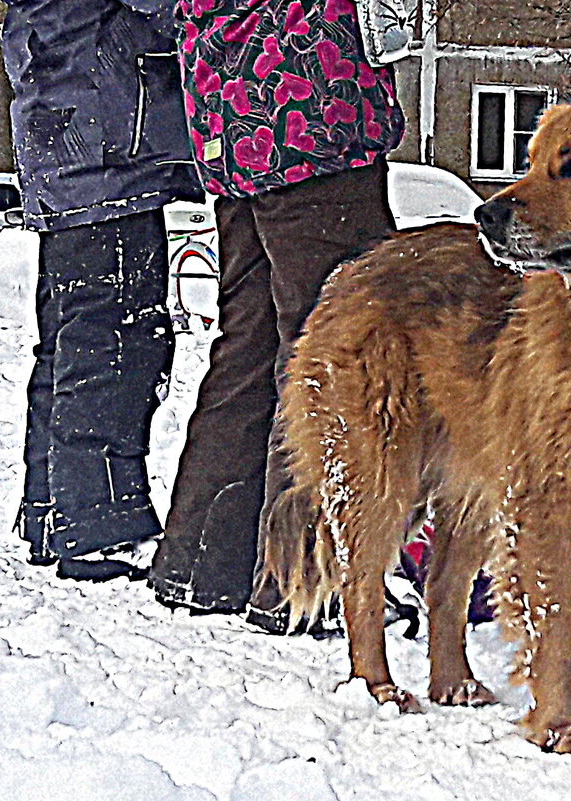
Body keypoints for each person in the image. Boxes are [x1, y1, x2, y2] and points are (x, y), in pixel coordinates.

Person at [148, 0, 405, 625]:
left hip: (234, 106)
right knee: (340, 355)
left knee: (251, 341)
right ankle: (305, 582)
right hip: (310, 107)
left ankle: (202, 562)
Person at [3, 0, 203, 581]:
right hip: (106, 148)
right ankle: (101, 523)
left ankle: (51, 508)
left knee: (69, 339)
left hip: (67, 144)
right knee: (116, 341)